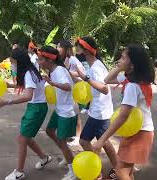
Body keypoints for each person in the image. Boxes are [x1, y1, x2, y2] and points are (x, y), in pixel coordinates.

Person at [93, 44, 155, 180]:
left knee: (120, 171)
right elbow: (107, 80)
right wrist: (119, 67)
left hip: (140, 133)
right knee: (127, 171)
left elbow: (122, 116)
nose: (119, 60)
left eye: (122, 58)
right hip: (136, 131)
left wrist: (102, 139)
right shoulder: (136, 80)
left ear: (132, 64)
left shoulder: (132, 86)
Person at [0, 48, 51, 180]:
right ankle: (44, 158)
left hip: (36, 109)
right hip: (36, 107)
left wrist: (7, 102)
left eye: (13, 62)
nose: (12, 65)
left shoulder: (28, 74)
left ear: (19, 62)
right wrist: (9, 85)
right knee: (27, 138)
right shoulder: (31, 71)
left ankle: (19, 172)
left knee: (22, 139)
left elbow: (28, 95)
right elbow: (29, 87)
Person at [74, 37, 118, 178]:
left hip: (99, 113)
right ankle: (118, 168)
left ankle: (96, 172)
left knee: (84, 141)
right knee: (105, 143)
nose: (76, 50)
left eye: (78, 47)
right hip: (100, 110)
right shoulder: (95, 65)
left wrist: (86, 78)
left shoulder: (96, 67)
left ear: (86, 50)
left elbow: (104, 89)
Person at [38, 46, 77, 180]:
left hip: (67, 111)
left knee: (62, 141)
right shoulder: (53, 70)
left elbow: (68, 87)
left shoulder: (59, 71)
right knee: (49, 131)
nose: (39, 61)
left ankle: (73, 171)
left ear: (49, 60)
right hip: (60, 108)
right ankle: (67, 155)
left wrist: (52, 83)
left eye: (41, 59)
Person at [57, 40, 86, 148]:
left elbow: (83, 75)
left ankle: (78, 136)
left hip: (76, 90)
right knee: (73, 113)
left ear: (65, 49)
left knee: (76, 113)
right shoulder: (63, 59)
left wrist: (70, 73)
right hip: (70, 90)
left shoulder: (73, 60)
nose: (57, 49)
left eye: (59, 47)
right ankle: (73, 134)